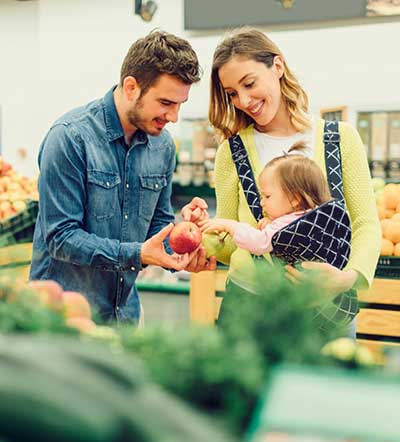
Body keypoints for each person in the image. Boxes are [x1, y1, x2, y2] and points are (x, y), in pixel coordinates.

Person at [194, 27, 380, 334]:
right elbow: (229, 244)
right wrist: (204, 230)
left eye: (249, 83)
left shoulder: (340, 139)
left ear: (277, 67)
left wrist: (345, 279)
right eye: (232, 94)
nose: (243, 100)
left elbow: (365, 224)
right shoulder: (232, 151)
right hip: (250, 308)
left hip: (328, 305)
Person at [30, 30, 215, 324]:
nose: (174, 117)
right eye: (166, 103)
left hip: (125, 316)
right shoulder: (70, 137)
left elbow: (157, 225)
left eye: (180, 104)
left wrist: (182, 242)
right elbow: (61, 238)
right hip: (62, 319)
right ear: (131, 87)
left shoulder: (163, 146)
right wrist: (138, 254)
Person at [199, 142, 332, 256]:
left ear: (295, 198)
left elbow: (260, 242)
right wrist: (272, 223)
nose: (262, 203)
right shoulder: (314, 218)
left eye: (267, 196)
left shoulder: (289, 223)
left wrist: (230, 226)